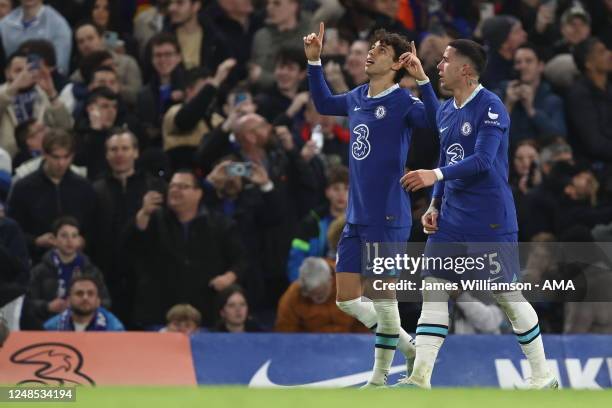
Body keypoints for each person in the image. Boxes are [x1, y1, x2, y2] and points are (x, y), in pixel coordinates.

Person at [397, 38, 557, 389]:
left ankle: (543, 375)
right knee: (434, 289)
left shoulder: (491, 106)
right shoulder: (447, 109)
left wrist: (433, 177)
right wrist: (436, 204)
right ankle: (420, 378)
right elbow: (448, 158)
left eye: (445, 60)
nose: (440, 65)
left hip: (489, 219)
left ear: (465, 69)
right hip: (451, 218)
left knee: (506, 296)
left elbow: (483, 161)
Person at [304, 22, 437, 387]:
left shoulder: (404, 102)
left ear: (396, 64)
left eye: (381, 49)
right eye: (372, 46)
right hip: (356, 216)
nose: (371, 51)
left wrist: (422, 80)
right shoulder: (359, 96)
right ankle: (408, 348)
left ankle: (378, 380)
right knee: (346, 300)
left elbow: (435, 121)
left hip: (389, 215)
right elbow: (323, 103)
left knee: (382, 297)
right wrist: (314, 62)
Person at [29, 216, 110, 324]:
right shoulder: (39, 271)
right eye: (64, 235)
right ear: (54, 240)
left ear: (79, 240)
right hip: (48, 326)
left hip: (86, 326)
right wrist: (47, 306)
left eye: (74, 236)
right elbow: (27, 304)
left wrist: (93, 303)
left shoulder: (91, 271)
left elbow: (106, 301)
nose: (69, 240)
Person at [276, 256, 368, 333]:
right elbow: (286, 333)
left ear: (330, 280)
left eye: (320, 295)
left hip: (351, 345)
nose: (315, 299)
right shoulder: (293, 296)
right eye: (310, 294)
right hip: (309, 347)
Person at [0, 0, 72, 75]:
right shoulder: (5, 24)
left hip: (45, 80)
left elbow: (60, 67)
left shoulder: (58, 24)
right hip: (10, 80)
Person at [44, 276, 123, 331]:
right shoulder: (51, 327)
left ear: (98, 301)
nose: (85, 297)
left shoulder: (113, 328)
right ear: (68, 301)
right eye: (79, 293)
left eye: (90, 293)